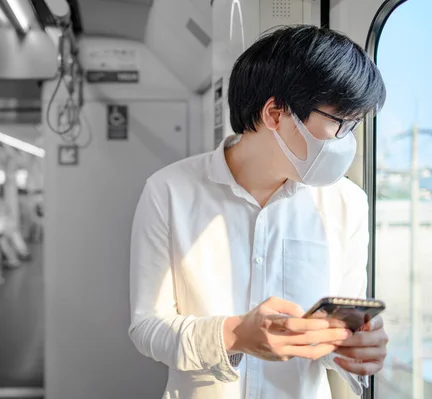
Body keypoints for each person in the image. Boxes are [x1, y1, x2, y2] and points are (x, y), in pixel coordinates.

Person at [128, 25, 388, 399]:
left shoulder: (346, 202)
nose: (346, 141)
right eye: (339, 122)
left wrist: (356, 350)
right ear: (275, 112)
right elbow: (147, 327)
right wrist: (234, 335)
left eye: (355, 125)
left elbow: (338, 332)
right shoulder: (169, 191)